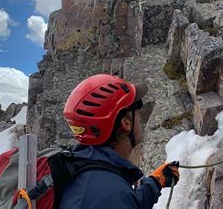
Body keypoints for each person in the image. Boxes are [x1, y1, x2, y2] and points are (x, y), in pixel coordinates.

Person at [60, 74, 180, 209]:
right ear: (126, 123)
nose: (139, 115)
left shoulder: (86, 171)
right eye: (137, 106)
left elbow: (127, 202)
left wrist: (156, 181)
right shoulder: (111, 195)